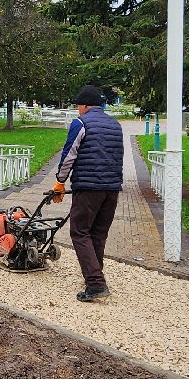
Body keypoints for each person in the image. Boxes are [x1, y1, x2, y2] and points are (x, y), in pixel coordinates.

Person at [50, 84, 124, 302]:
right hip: (112, 189)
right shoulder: (115, 125)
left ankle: (96, 284)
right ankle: (95, 275)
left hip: (89, 188)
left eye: (78, 107)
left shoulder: (81, 123)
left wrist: (60, 182)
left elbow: (69, 155)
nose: (77, 110)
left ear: (84, 105)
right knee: (98, 233)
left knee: (80, 232)